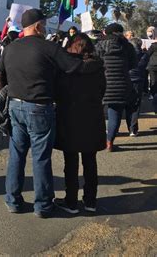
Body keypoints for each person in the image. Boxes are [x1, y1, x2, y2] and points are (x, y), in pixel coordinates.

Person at [0, 9, 101, 218]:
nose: (45, 28)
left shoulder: (10, 48)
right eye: (43, 24)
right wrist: (97, 64)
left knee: (16, 154)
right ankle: (43, 205)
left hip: (15, 106)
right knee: (40, 157)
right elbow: (74, 66)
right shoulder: (48, 47)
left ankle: (13, 200)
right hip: (39, 108)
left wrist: (9, 94)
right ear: (37, 26)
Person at [54, 34, 107, 214]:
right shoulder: (98, 66)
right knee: (90, 161)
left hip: (70, 116)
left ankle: (71, 202)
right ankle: (90, 201)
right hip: (92, 116)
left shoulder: (66, 67)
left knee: (71, 161)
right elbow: (102, 90)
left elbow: (58, 92)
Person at [95, 23, 137, 152]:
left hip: (101, 83)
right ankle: (109, 143)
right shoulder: (127, 46)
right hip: (121, 84)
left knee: (96, 114)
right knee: (115, 114)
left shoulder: (99, 45)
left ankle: (96, 140)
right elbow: (133, 64)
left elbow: (94, 62)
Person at [125, 38, 150, 137]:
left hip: (127, 80)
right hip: (138, 81)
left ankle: (129, 128)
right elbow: (143, 67)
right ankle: (133, 129)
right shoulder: (144, 55)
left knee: (127, 105)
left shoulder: (125, 55)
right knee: (135, 106)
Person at [146, 41, 157, 113]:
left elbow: (147, 54)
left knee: (153, 81)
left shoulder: (153, 46)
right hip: (153, 66)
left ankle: (153, 94)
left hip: (152, 66)